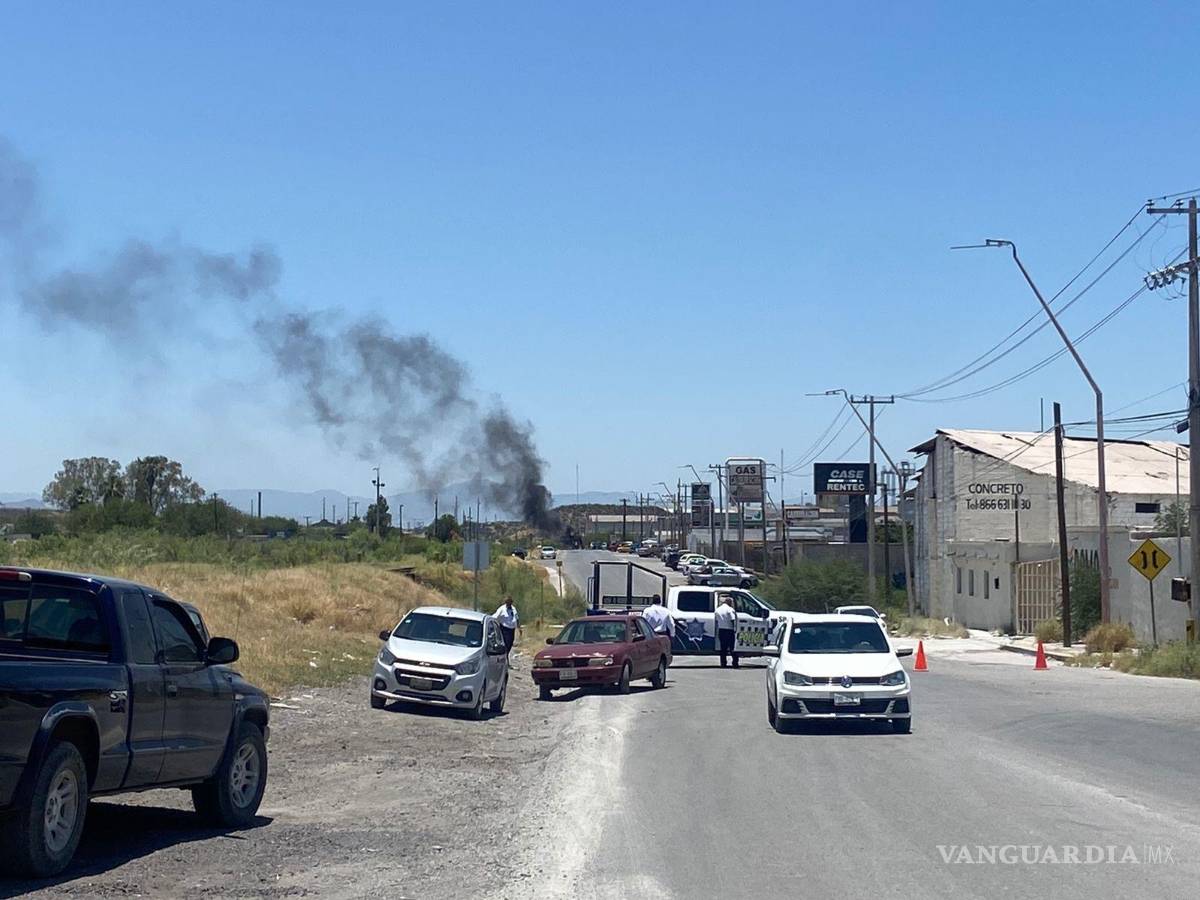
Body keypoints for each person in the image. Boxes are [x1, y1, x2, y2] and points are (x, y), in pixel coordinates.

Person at [714, 593, 739, 668]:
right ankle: (735, 663)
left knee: (723, 648)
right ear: (729, 602)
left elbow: (716, 620)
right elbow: (732, 619)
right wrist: (735, 628)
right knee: (732, 648)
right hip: (729, 630)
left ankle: (723, 663)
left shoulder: (718, 610)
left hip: (721, 630)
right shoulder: (730, 610)